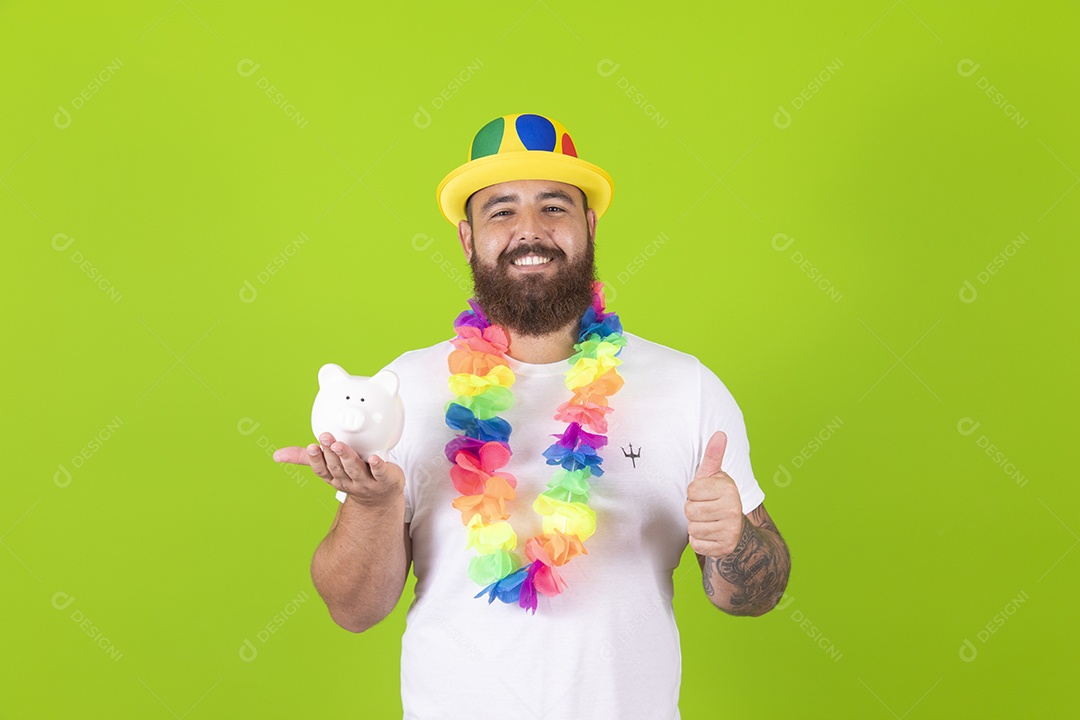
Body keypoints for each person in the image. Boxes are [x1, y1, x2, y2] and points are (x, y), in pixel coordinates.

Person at [273, 112, 791, 719]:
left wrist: (734, 541)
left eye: (553, 206)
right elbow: (353, 611)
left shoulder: (686, 387)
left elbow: (756, 596)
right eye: (500, 210)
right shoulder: (401, 391)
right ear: (468, 239)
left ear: (588, 226)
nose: (529, 231)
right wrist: (371, 506)